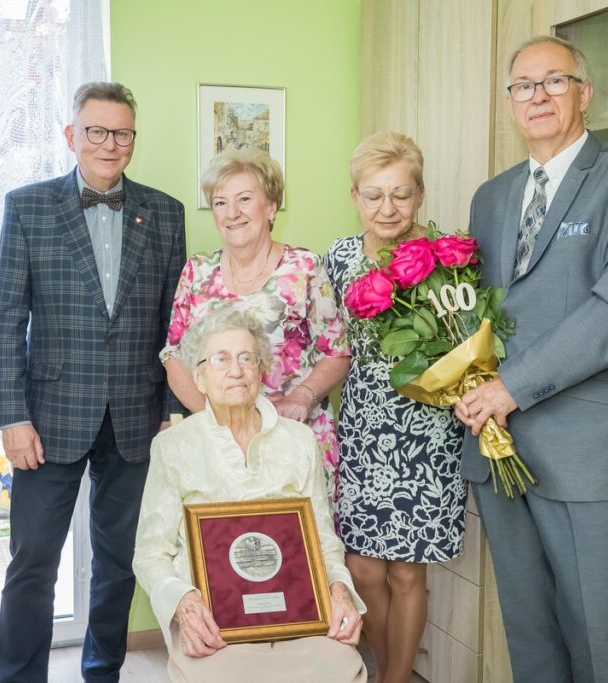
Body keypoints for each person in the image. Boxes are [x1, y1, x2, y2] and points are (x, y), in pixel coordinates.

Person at [454, 35, 608, 682]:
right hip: (494, 444)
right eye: (523, 85)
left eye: (554, 81)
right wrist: (460, 379)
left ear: (586, 92)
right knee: (528, 627)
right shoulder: (491, 197)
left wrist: (510, 387)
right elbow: (481, 312)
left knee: (596, 628)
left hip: (584, 446)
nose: (538, 96)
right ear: (510, 103)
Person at [0, 81, 186, 682]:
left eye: (121, 132)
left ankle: (102, 672)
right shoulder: (27, 206)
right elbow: (6, 318)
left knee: (119, 563)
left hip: (137, 417)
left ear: (133, 139)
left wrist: (173, 407)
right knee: (32, 564)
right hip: (48, 418)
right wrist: (12, 416)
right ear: (71, 136)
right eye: (96, 131)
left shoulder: (167, 212)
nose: (109, 143)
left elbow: (175, 322)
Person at [134, 308, 367, 683]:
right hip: (215, 619)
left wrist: (340, 591)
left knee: (341, 668)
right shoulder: (173, 447)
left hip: (299, 613)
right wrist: (184, 604)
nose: (235, 370)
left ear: (261, 371)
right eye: (221, 359)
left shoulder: (299, 441)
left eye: (246, 358)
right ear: (200, 376)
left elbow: (324, 542)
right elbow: (150, 554)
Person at [323, 131, 467, 683]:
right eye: (374, 194)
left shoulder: (447, 260)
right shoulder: (336, 259)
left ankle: (396, 679)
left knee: (408, 573)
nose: (388, 208)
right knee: (362, 569)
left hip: (427, 435)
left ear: (421, 194)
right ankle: (385, 671)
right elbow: (321, 341)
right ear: (355, 197)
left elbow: (470, 343)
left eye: (401, 194)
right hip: (360, 431)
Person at [162, 148, 349, 497]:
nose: (232, 213)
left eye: (245, 199)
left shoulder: (305, 268)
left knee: (301, 546)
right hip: (218, 446)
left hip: (295, 440)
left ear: (272, 207)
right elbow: (174, 356)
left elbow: (337, 352)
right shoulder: (196, 271)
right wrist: (218, 423)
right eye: (220, 202)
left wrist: (302, 397)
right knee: (219, 543)